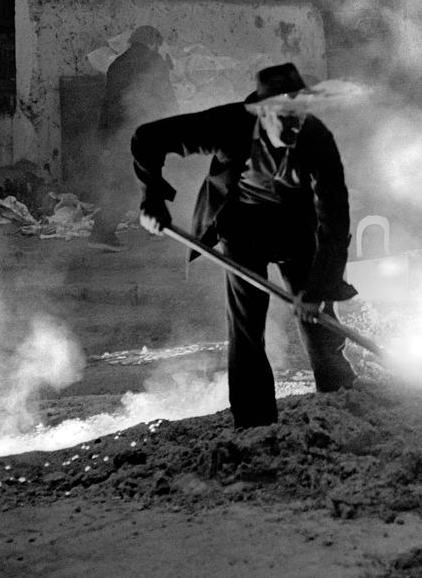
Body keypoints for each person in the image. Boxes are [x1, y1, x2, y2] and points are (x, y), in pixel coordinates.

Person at [131, 62, 359, 428]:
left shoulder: (316, 138)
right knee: (246, 323)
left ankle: (340, 394)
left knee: (317, 315)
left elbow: (335, 218)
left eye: (297, 116)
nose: (292, 126)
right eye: (283, 117)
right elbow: (147, 138)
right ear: (261, 112)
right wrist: (152, 199)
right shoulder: (229, 124)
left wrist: (320, 286)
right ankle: (255, 422)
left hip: (297, 228)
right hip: (243, 226)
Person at [88, 25, 174, 251]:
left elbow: (107, 103)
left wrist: (104, 136)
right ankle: (102, 232)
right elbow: (165, 99)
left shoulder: (117, 63)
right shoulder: (154, 61)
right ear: (154, 41)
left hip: (118, 133)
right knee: (126, 183)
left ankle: (153, 226)